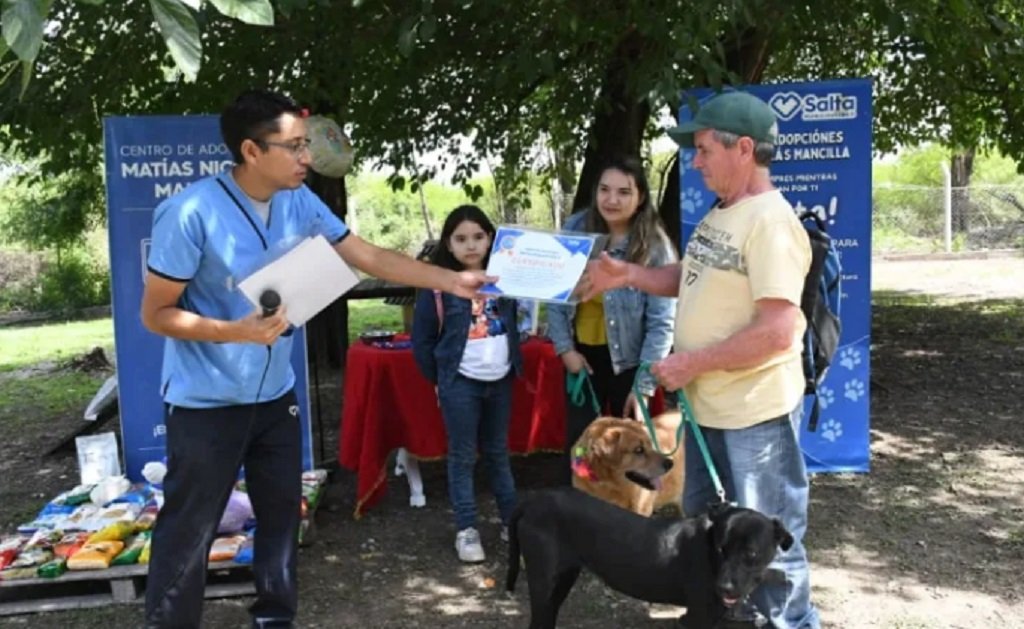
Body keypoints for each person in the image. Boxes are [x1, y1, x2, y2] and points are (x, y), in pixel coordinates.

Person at [140, 89, 490, 629]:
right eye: (295, 146)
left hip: (276, 397)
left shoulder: (299, 201)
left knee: (280, 520)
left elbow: (366, 255)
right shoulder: (189, 212)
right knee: (190, 530)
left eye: (307, 145)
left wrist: (452, 280)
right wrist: (236, 331)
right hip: (205, 404)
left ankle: (275, 619)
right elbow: (156, 314)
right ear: (252, 151)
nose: (308, 158)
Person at [582, 91, 821, 629]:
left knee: (769, 540)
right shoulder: (724, 212)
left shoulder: (771, 223)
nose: (695, 160)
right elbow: (691, 279)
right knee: (715, 532)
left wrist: (691, 364)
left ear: (742, 149)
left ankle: (790, 624)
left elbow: (778, 330)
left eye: (704, 149)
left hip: (753, 412)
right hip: (711, 407)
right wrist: (631, 275)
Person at [546, 155, 677, 482]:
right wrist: (566, 351)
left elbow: (662, 321)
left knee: (633, 448)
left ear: (640, 197)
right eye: (605, 190)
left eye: (623, 192)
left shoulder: (655, 245)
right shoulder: (576, 229)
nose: (612, 200)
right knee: (581, 446)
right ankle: (580, 506)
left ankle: (630, 518)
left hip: (631, 365)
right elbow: (555, 295)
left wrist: (644, 383)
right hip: (582, 359)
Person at [411, 205, 522, 563]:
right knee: (461, 456)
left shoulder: (507, 281)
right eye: (461, 239)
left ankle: (513, 523)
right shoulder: (440, 288)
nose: (471, 245)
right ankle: (467, 529)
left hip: (500, 380)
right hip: (460, 384)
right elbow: (423, 340)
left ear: (491, 238)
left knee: (497, 453)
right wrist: (442, 379)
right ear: (449, 244)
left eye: (478, 237)